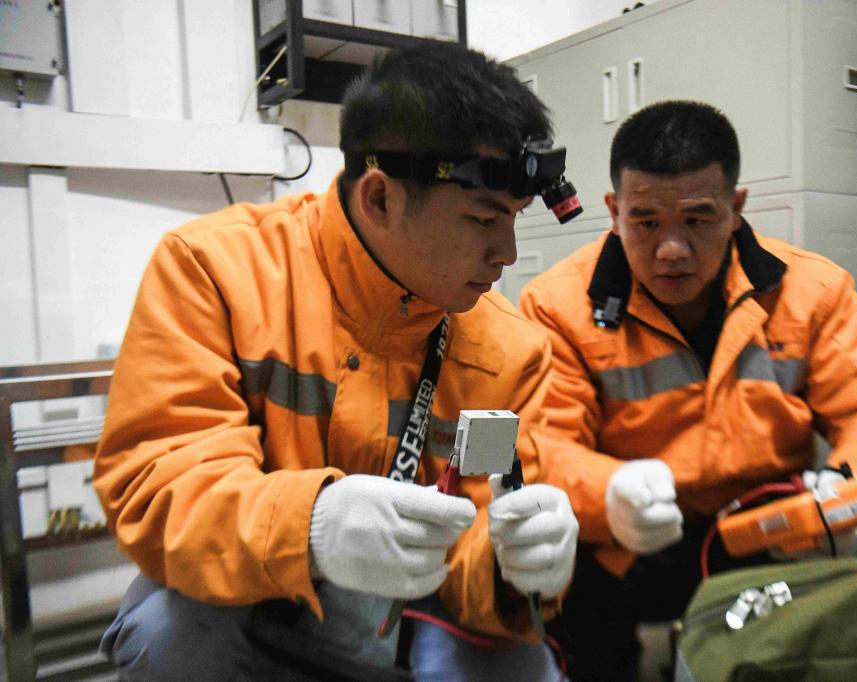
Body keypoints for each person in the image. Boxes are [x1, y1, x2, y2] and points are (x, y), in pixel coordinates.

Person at [93, 42, 579, 681]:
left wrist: (514, 567)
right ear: (380, 199)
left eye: (513, 219)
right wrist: (311, 524)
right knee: (171, 636)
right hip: (253, 602)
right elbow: (162, 485)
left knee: (525, 666)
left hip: (406, 619)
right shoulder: (215, 272)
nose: (507, 253)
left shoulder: (506, 351)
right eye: (482, 218)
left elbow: (482, 526)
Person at [518, 100, 857, 680]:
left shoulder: (812, 290)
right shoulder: (556, 304)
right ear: (614, 212)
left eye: (697, 219)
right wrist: (608, 494)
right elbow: (543, 446)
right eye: (645, 222)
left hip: (777, 527)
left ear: (736, 209)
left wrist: (853, 497)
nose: (671, 249)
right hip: (640, 541)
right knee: (559, 568)